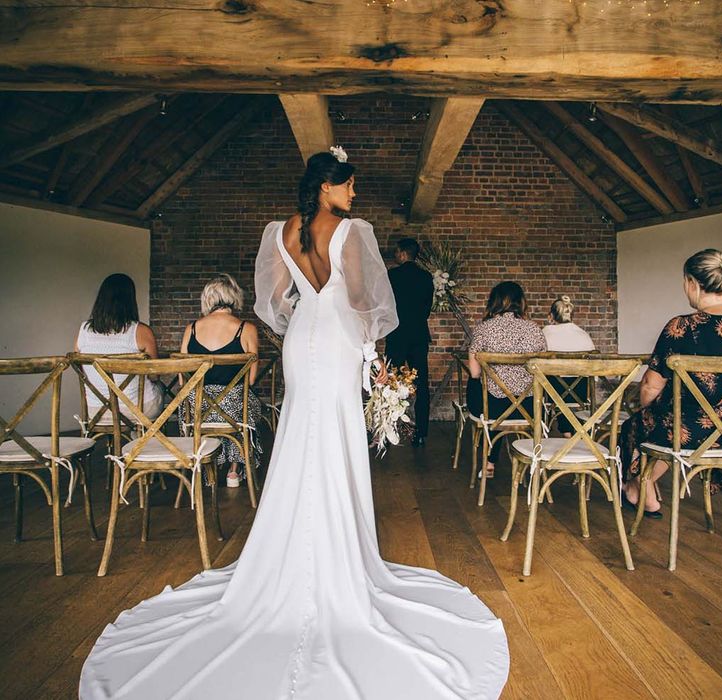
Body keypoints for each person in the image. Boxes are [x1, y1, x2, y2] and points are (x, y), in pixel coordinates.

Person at [80, 148, 509, 700]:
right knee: (334, 434)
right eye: (349, 186)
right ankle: (339, 559)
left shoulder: (283, 230)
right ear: (331, 186)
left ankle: (285, 556)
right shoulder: (350, 230)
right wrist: (364, 335)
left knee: (299, 434)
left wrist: (306, 299)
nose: (354, 195)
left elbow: (273, 300)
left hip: (302, 338)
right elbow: (359, 298)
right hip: (334, 337)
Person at [620, 249, 722, 518]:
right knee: (669, 423)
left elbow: (650, 387)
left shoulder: (681, 327)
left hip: (686, 432)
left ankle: (639, 487)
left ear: (693, 283)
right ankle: (645, 484)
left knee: (638, 424)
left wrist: (648, 409)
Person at [179, 274, 262, 488]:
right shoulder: (247, 329)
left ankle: (207, 467)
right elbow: (251, 380)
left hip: (198, 407)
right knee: (246, 402)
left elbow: (182, 378)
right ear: (235, 297)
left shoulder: (192, 329)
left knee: (190, 403)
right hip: (234, 407)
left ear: (207, 299)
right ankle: (233, 471)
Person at [467, 281, 546, 479]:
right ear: (521, 303)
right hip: (529, 408)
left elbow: (475, 373)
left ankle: (489, 462)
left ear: (494, 302)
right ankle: (531, 461)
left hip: (492, 408)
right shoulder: (535, 330)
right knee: (508, 392)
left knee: (483, 384)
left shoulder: (483, 329)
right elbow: (543, 371)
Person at [74, 273, 163, 420]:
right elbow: (154, 375)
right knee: (159, 388)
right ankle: (142, 438)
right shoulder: (140, 331)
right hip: (137, 410)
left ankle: (119, 440)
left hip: (96, 410)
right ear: (130, 300)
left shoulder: (83, 330)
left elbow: (82, 369)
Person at [386, 237, 434, 446]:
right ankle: (421, 433)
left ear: (403, 253)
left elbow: (385, 305)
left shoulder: (392, 276)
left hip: (397, 334)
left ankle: (387, 429)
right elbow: (427, 308)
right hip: (418, 335)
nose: (395, 256)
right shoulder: (426, 277)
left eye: (396, 252)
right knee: (421, 384)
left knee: (391, 382)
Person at [543, 295, 596, 436]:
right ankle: (568, 431)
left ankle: (563, 431)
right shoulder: (584, 335)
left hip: (553, 393)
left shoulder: (545, 334)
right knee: (566, 385)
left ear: (551, 316)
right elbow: (593, 372)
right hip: (581, 393)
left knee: (552, 382)